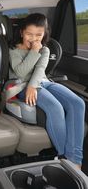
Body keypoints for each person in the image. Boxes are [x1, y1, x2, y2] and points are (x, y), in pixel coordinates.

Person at [8, 13, 85, 169]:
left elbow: (40, 69)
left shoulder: (45, 50)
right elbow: (21, 72)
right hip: (22, 85)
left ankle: (76, 159)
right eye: (29, 34)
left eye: (39, 35)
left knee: (78, 103)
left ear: (44, 34)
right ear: (22, 32)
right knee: (55, 107)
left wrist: (34, 86)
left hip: (43, 82)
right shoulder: (13, 51)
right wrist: (34, 53)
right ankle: (65, 157)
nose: (34, 39)